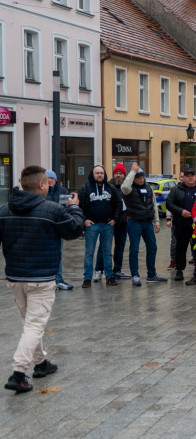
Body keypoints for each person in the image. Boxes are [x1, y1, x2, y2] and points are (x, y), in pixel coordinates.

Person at [1, 166, 85, 394]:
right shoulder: (52, 210)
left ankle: (41, 363)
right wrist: (75, 207)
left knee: (30, 324)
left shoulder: (4, 210)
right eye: (47, 183)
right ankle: (18, 373)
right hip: (41, 278)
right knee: (34, 326)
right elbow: (75, 230)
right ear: (41, 185)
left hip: (15, 277)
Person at [120, 164, 167, 286]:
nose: (141, 180)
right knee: (134, 249)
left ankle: (152, 274)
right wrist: (132, 172)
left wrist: (156, 222)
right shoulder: (129, 189)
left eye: (142, 177)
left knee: (153, 247)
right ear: (134, 178)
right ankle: (135, 275)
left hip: (147, 222)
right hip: (134, 221)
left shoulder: (149, 187)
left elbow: (154, 205)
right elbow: (124, 187)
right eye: (138, 178)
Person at [78, 165, 123, 288]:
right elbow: (78, 206)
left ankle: (109, 277)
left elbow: (119, 204)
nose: (99, 175)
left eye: (101, 173)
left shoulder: (111, 188)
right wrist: (84, 220)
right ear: (93, 174)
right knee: (89, 253)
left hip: (108, 225)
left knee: (107, 253)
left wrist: (114, 219)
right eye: (97, 173)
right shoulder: (85, 188)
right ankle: (87, 278)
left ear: (105, 175)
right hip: (92, 226)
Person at [165, 166, 196, 282]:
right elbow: (169, 204)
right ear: (184, 178)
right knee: (181, 248)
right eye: (187, 176)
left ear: (195, 177)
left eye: (192, 176)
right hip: (181, 224)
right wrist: (180, 211)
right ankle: (179, 270)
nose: (190, 178)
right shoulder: (176, 190)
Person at [44, 170, 73, 291]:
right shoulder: (41, 191)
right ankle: (46, 280)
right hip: (43, 228)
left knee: (58, 254)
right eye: (47, 178)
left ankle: (58, 279)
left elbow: (66, 210)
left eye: (51, 178)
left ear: (55, 180)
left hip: (57, 228)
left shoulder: (63, 192)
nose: (49, 180)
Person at [109, 163, 129, 279]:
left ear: (124, 175)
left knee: (120, 246)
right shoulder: (108, 186)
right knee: (105, 247)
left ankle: (117, 268)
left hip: (123, 222)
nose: (118, 175)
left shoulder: (126, 188)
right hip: (110, 221)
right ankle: (100, 270)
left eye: (120, 173)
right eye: (116, 173)